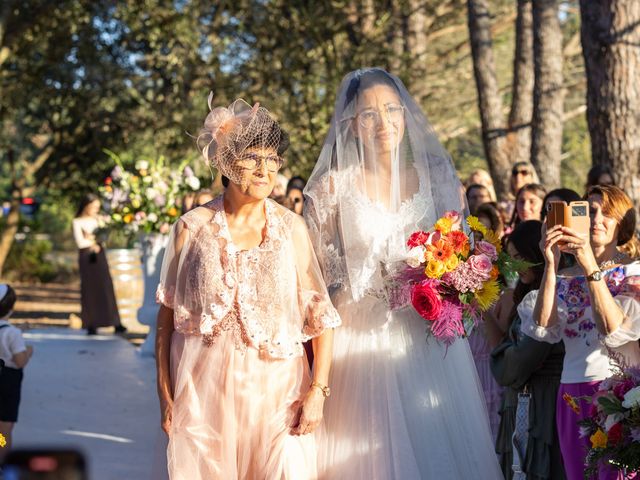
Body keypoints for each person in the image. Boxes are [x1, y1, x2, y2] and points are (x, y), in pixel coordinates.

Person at [304, 68, 501, 479]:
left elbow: (460, 249)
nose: (383, 122)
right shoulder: (331, 188)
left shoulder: (438, 178)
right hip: (357, 339)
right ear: (351, 124)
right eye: (369, 113)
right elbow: (314, 278)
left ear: (406, 115)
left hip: (425, 337)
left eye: (392, 109)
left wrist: (450, 282)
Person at [155, 97, 340, 479]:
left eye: (272, 159)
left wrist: (317, 392)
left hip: (279, 395)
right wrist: (165, 394)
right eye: (253, 157)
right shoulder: (191, 228)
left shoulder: (292, 229)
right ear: (225, 162)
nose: (265, 169)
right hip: (204, 397)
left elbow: (320, 317)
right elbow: (166, 318)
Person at [519, 185, 640, 480]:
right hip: (571, 394)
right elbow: (543, 329)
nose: (597, 219)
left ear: (622, 224)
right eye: (589, 211)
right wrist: (551, 264)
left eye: (607, 213)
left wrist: (588, 264)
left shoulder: (632, 272)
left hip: (619, 392)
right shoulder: (563, 279)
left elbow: (612, 329)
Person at [490, 221, 566, 480]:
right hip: (524, 401)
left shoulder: (551, 297)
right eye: (512, 259)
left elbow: (521, 360)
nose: (517, 266)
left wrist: (505, 355)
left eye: (521, 257)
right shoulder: (524, 295)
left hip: (542, 404)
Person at [72, 193, 125, 335]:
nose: (96, 209)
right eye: (93, 206)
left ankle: (115, 321)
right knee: (90, 288)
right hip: (86, 257)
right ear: (86, 206)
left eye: (98, 207)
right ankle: (91, 322)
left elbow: (104, 238)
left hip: (100, 255)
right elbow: (80, 242)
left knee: (106, 286)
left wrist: (94, 240)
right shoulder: (77, 221)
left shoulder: (100, 220)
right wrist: (93, 242)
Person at [0, 284, 33, 462]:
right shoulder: (12, 334)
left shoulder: (12, 331)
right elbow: (19, 362)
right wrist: (28, 351)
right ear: (11, 308)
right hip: (8, 381)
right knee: (4, 427)